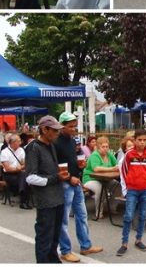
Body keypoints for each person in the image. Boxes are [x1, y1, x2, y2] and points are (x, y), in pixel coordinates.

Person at [54, 111, 103, 262]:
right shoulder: (56, 142)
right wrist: (70, 178)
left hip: (76, 182)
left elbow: (71, 160)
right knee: (63, 219)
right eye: (70, 126)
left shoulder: (71, 140)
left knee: (82, 215)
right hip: (65, 184)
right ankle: (65, 250)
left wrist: (80, 165)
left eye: (75, 126)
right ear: (62, 126)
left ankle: (85, 245)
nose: (74, 129)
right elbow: (55, 166)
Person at [25, 115, 69, 263]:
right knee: (44, 236)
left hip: (58, 197)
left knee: (55, 235)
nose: (57, 133)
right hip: (45, 200)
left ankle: (53, 260)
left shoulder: (51, 145)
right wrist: (55, 177)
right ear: (45, 129)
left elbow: (51, 170)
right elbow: (30, 177)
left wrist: (61, 174)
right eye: (55, 130)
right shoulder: (33, 147)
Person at [117, 129, 146, 256]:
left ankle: (139, 240)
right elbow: (124, 172)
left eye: (144, 140)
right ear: (134, 140)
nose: (142, 143)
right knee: (128, 216)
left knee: (143, 216)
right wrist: (126, 189)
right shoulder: (128, 155)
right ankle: (124, 243)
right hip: (132, 190)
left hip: (144, 190)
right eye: (139, 140)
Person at [82, 135, 118, 219]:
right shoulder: (95, 155)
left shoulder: (109, 154)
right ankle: (99, 211)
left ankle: (110, 207)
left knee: (117, 185)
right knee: (99, 188)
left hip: (104, 179)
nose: (105, 148)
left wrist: (116, 167)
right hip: (90, 178)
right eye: (103, 147)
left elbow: (116, 164)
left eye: (107, 146)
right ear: (98, 148)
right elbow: (96, 169)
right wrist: (112, 169)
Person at [0, 133, 31, 209]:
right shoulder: (4, 152)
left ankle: (22, 194)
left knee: (24, 177)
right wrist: (18, 168)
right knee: (25, 178)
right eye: (19, 141)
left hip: (20, 173)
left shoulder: (21, 150)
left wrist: (19, 168)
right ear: (13, 142)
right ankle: (23, 200)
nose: (21, 142)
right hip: (9, 175)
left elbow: (24, 163)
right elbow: (7, 168)